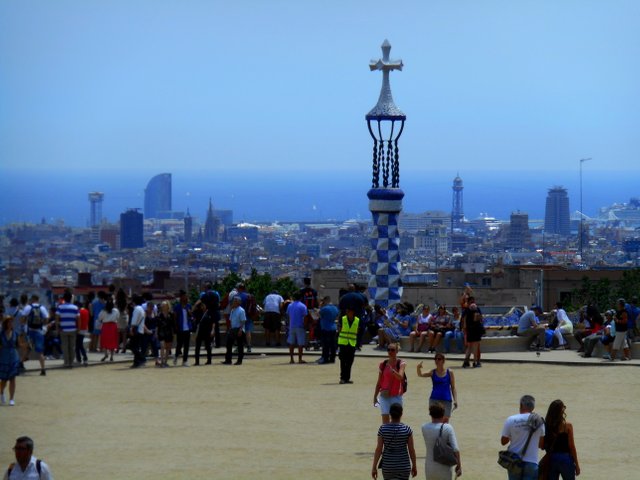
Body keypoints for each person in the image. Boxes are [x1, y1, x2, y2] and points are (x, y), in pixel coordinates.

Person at [500, 394, 545, 480]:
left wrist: (513, 435)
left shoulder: (511, 419)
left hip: (514, 462)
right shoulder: (540, 422)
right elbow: (541, 445)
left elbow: (503, 442)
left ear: (521, 405)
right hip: (532, 462)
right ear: (533, 407)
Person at [371, 403, 417, 480]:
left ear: (390, 414)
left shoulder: (383, 429)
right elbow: (411, 450)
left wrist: (374, 467)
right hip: (403, 466)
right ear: (401, 414)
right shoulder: (407, 429)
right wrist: (414, 466)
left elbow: (378, 449)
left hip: (388, 466)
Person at [421, 403, 462, 480]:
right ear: (443, 414)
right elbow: (456, 449)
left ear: (430, 414)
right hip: (445, 468)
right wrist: (459, 465)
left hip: (429, 468)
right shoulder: (448, 428)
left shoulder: (424, 427)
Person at [542, 399, 580, 480]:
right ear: (561, 411)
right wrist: (577, 464)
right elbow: (571, 446)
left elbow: (541, 445)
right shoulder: (567, 426)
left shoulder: (545, 426)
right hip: (566, 459)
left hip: (551, 459)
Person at [416, 354, 458, 421]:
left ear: (443, 361)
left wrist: (455, 400)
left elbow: (453, 387)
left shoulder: (450, 372)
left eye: (439, 359)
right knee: (435, 421)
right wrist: (418, 368)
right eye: (435, 359)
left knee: (445, 422)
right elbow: (420, 374)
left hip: (446, 400)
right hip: (434, 399)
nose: (437, 361)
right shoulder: (432, 372)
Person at [373, 342, 406, 423]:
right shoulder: (383, 364)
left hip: (396, 396)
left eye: (392, 350)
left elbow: (400, 377)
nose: (390, 352)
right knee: (385, 422)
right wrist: (375, 397)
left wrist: (394, 372)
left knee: (396, 421)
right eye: (388, 350)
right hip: (384, 395)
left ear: (397, 351)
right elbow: (379, 382)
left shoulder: (401, 363)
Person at [22, 295, 50, 376]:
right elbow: (46, 319)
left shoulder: (28, 307)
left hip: (30, 331)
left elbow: (23, 318)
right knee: (40, 352)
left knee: (27, 348)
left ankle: (20, 364)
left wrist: (24, 324)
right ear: (38, 299)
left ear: (32, 299)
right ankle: (43, 369)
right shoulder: (42, 308)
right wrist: (43, 325)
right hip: (39, 332)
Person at [55, 290, 79, 369]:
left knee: (65, 347)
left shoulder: (60, 307)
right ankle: (71, 362)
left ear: (64, 299)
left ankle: (66, 362)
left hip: (63, 329)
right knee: (72, 347)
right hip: (73, 329)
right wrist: (78, 328)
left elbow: (57, 319)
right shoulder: (75, 307)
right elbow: (78, 319)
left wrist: (57, 328)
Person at [337, 306, 360, 384]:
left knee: (350, 361)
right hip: (343, 343)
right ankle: (343, 378)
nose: (347, 312)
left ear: (352, 312)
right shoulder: (342, 319)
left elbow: (357, 331)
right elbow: (339, 330)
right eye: (347, 311)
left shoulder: (357, 320)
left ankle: (347, 378)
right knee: (343, 361)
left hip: (352, 343)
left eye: (349, 311)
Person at [1, 317, 20, 406]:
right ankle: (1, 393)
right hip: (3, 357)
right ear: (5, 324)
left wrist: (26, 345)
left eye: (11, 322)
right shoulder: (1, 334)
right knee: (3, 380)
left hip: (14, 356)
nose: (10, 324)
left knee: (12, 378)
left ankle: (11, 398)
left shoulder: (16, 333)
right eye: (9, 322)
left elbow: (19, 345)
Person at [286, 291, 308, 364]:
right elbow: (305, 317)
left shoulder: (290, 305)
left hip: (292, 326)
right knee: (300, 344)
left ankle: (291, 359)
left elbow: (288, 316)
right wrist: (305, 325)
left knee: (291, 343)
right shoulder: (303, 306)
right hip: (300, 326)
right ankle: (300, 359)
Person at [223, 296, 246, 365]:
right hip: (233, 329)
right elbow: (231, 320)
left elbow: (243, 321)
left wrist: (240, 330)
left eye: (235, 301)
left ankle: (239, 360)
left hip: (239, 328)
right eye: (233, 301)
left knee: (240, 345)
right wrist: (229, 328)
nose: (233, 302)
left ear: (238, 302)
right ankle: (228, 359)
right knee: (228, 344)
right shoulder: (233, 310)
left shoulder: (241, 310)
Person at [172, 290, 193, 367]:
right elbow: (175, 317)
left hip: (187, 328)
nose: (186, 298)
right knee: (179, 344)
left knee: (187, 345)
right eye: (184, 296)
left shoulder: (188, 306)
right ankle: (176, 356)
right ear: (181, 297)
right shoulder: (177, 307)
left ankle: (185, 360)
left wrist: (189, 312)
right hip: (180, 328)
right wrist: (175, 327)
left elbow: (191, 316)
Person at [461, 297, 483, 368]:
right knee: (475, 347)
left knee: (469, 347)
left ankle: (466, 362)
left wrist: (464, 329)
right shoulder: (476, 309)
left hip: (469, 330)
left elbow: (463, 320)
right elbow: (480, 319)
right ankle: (475, 362)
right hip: (475, 329)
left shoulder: (466, 310)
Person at [317, 296, 338, 364]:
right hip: (333, 327)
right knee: (333, 344)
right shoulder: (335, 308)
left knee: (325, 344)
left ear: (325, 301)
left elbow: (318, 315)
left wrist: (320, 306)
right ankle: (332, 358)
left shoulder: (324, 308)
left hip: (325, 327)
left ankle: (325, 358)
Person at [129, 295, 147, 368]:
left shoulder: (136, 309)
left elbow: (134, 321)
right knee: (136, 346)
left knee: (133, 346)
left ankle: (142, 358)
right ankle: (136, 362)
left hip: (136, 329)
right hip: (140, 329)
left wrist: (131, 328)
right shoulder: (142, 309)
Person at [156, 301, 175, 368]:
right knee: (162, 346)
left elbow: (173, 325)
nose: (163, 306)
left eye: (164, 305)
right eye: (162, 305)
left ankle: (165, 362)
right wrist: (156, 333)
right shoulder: (159, 315)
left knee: (167, 348)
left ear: (167, 306)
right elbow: (157, 325)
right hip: (161, 332)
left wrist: (173, 333)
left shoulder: (171, 314)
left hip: (169, 332)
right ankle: (162, 362)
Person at [75, 301, 89, 366]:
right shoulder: (86, 311)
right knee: (79, 345)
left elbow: (77, 320)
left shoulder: (78, 312)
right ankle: (82, 359)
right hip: (84, 329)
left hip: (79, 329)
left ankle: (81, 359)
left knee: (78, 346)